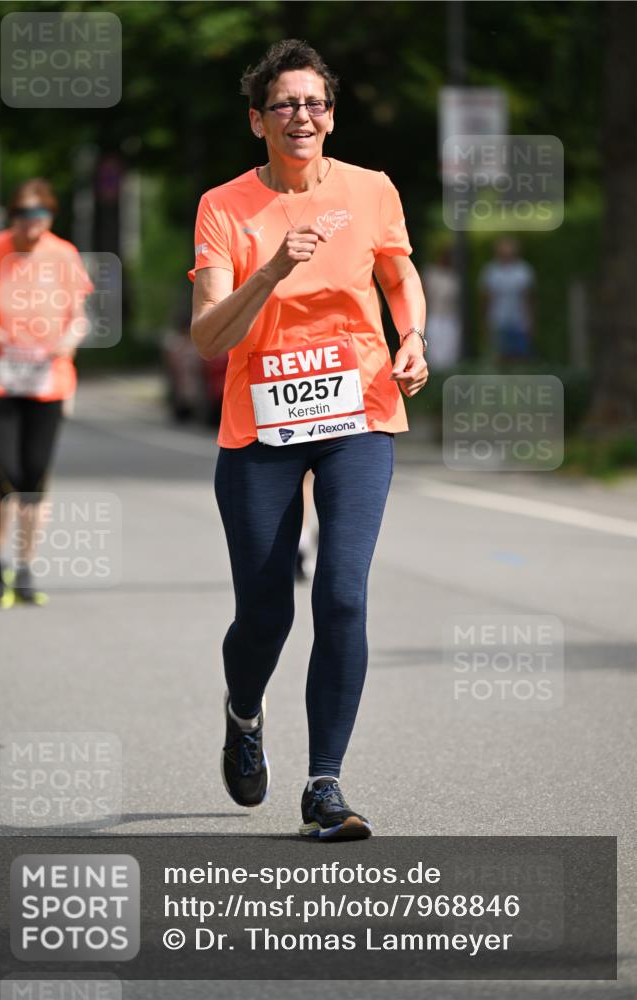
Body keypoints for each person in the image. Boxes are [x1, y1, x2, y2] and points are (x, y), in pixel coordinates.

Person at [189, 39, 428, 839]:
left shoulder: (370, 190)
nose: (302, 115)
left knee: (344, 594)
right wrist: (269, 272)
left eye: (315, 102)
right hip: (261, 426)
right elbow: (206, 338)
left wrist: (413, 336)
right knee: (264, 615)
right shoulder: (224, 206)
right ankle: (244, 712)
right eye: (285, 104)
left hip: (357, 412)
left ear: (330, 115)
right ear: (258, 120)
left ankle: (325, 786)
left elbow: (397, 273)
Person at [0, 178, 93, 606]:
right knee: (1, 472)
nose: (32, 226)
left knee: (33, 477)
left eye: (40, 217)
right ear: (12, 217)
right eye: (24, 217)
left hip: (47, 380)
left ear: (50, 218)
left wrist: (69, 341)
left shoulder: (64, 255)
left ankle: (24, 567)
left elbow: (79, 316)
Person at [479, 237, 536, 361]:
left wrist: (530, 321)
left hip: (520, 321)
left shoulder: (523, 271)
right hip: (498, 321)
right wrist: (484, 323)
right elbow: (485, 300)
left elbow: (529, 298)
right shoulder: (491, 272)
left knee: (521, 357)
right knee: (500, 357)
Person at [422, 243, 461, 371]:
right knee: (434, 350)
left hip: (449, 317)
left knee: (450, 349)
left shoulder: (454, 277)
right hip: (434, 316)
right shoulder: (430, 273)